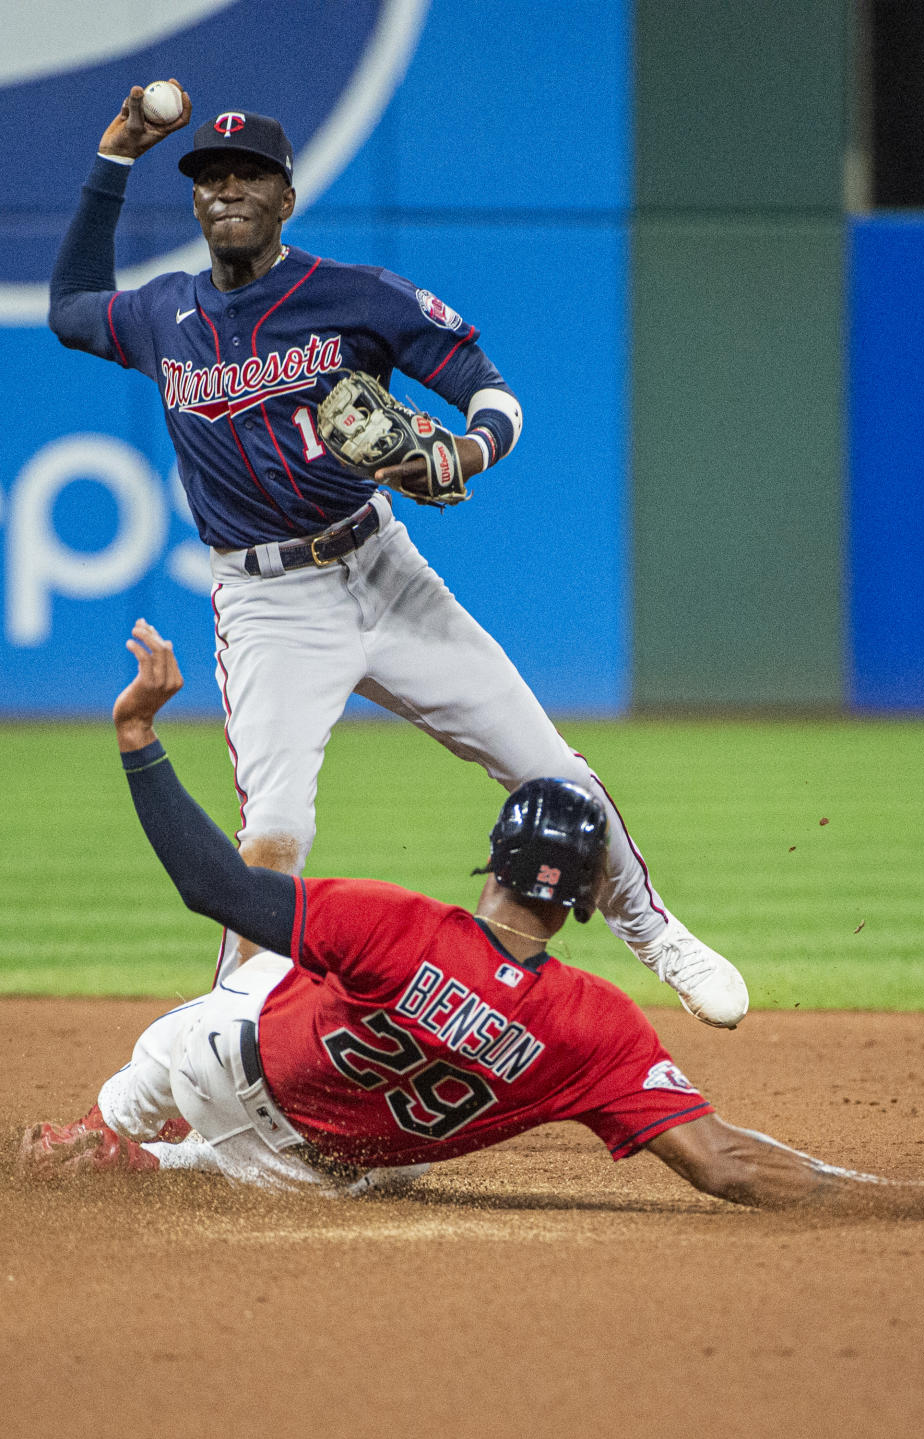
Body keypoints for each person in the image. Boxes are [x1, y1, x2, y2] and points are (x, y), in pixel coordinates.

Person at [48, 81, 748, 1029]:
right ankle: (224, 1038)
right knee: (273, 834)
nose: (226, 191)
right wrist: (116, 153)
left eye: (247, 173)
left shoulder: (354, 295)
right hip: (268, 607)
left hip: (382, 573)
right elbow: (73, 306)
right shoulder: (163, 313)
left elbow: (489, 389)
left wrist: (468, 449)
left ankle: (657, 932)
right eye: (209, 177)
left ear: (285, 196)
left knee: (549, 770)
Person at [18, 623, 924, 1219]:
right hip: (314, 1173)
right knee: (379, 1166)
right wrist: (911, 1199)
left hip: (219, 1069)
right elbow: (724, 1167)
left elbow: (211, 887)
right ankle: (164, 1166)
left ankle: (102, 1128)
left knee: (229, 996)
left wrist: (138, 738)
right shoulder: (594, 1027)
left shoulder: (394, 924)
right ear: (592, 899)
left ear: (493, 859)